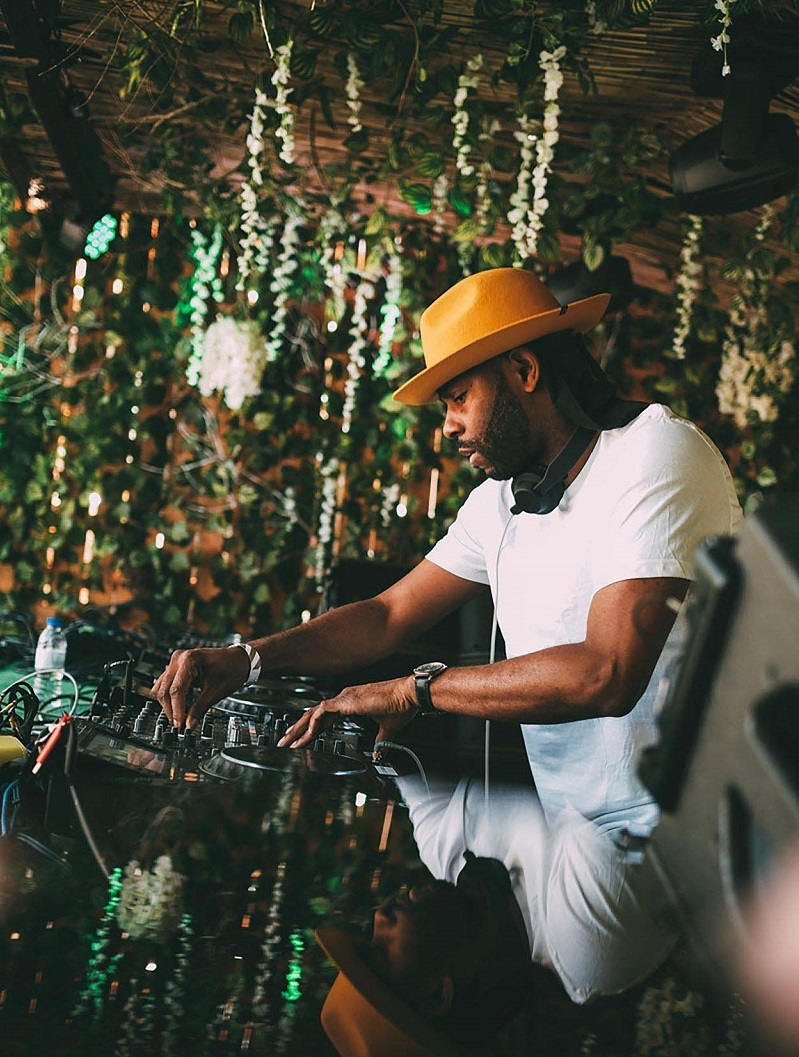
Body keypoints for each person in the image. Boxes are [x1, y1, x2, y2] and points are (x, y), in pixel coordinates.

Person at [153, 266, 742, 841]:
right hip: (576, 830)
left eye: (459, 397)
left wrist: (416, 689)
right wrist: (246, 659)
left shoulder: (655, 454)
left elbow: (607, 673)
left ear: (524, 369)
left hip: (680, 834)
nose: (450, 428)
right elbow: (387, 615)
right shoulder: (500, 502)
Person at [316, 769, 678, 1057]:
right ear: (437, 994)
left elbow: (404, 744)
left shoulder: (441, 850)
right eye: (381, 951)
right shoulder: (584, 948)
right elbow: (613, 762)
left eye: (368, 933)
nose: (379, 918)